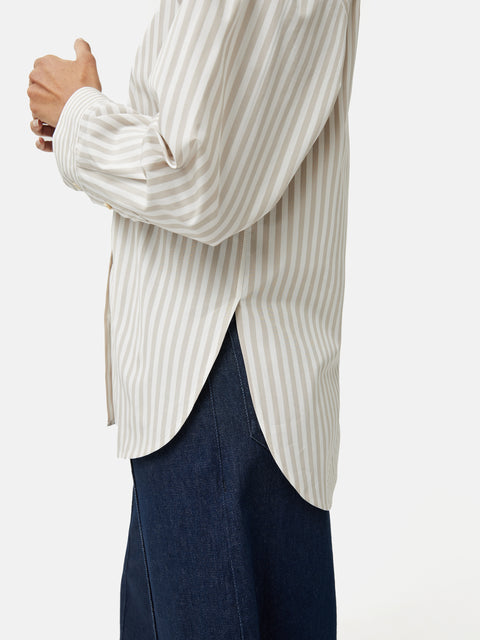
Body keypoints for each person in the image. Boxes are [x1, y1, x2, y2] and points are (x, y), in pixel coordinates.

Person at [27, 1, 360, 638]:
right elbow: (226, 151)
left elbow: (199, 179)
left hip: (218, 378)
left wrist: (79, 115)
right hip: (227, 381)